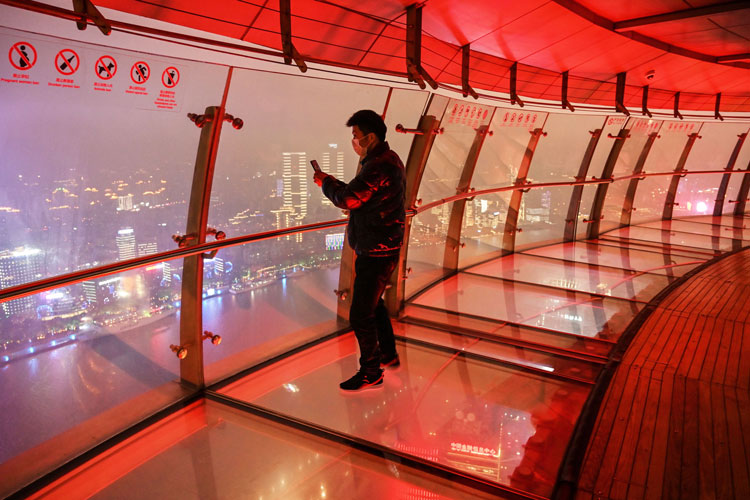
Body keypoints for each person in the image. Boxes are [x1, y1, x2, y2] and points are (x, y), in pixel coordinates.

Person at [313, 109, 405, 392]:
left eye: (356, 135)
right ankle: (387, 353)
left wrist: (325, 183)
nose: (354, 140)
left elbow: (349, 198)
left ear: (370, 136)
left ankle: (371, 372)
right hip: (379, 245)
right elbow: (359, 193)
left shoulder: (378, 165)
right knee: (373, 304)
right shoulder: (386, 160)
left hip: (376, 249)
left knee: (360, 314)